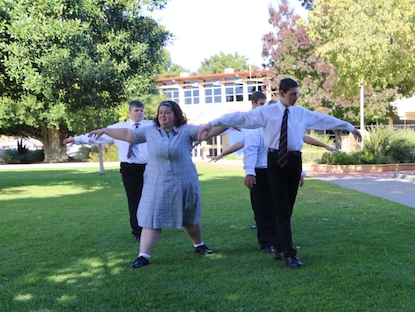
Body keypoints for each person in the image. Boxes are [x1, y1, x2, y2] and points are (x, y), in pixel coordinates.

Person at [198, 77, 362, 268]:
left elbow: (323, 119)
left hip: (294, 160)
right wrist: (212, 123)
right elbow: (240, 117)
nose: (296, 98)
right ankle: (289, 253)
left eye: (297, 94)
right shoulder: (267, 112)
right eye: (292, 94)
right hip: (275, 161)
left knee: (288, 208)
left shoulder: (300, 113)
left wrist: (349, 127)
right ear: (282, 94)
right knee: (282, 207)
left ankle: (279, 246)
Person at [85, 100, 214, 269]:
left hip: (184, 181)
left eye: (167, 112)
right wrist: (104, 131)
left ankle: (199, 245)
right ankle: (143, 256)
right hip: (156, 182)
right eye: (160, 112)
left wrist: (224, 123)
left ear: (176, 115)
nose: (163, 115)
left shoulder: (186, 130)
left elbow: (206, 132)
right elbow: (127, 134)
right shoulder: (150, 131)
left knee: (189, 217)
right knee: (151, 218)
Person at [209, 92, 337, 255]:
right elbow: (249, 148)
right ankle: (266, 243)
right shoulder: (255, 130)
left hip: (279, 171)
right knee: (263, 209)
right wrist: (249, 172)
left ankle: (279, 242)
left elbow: (294, 148)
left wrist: (300, 173)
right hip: (260, 173)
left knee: (280, 208)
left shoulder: (284, 128)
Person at [64, 100, 152, 241]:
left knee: (150, 200)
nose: (139, 113)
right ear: (129, 112)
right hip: (129, 168)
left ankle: (151, 229)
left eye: (142, 110)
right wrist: (76, 139)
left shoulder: (151, 126)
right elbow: (97, 136)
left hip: (149, 167)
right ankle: (138, 232)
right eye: (136, 110)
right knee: (134, 200)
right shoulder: (118, 128)